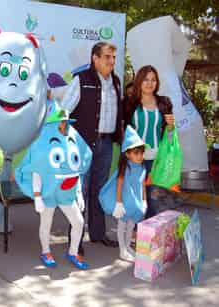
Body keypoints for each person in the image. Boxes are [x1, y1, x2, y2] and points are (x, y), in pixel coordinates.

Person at [60, 41, 123, 252]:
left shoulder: (116, 82)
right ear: (95, 58)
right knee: (81, 191)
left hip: (106, 143)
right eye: (107, 57)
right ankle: (75, 239)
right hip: (83, 144)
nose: (111, 61)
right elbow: (63, 110)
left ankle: (98, 234)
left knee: (99, 189)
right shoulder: (81, 80)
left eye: (114, 57)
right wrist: (63, 136)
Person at [15, 103, 92, 269]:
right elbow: (37, 170)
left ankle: (73, 252)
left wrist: (78, 192)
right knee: (46, 223)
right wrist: (37, 197)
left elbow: (76, 168)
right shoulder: (43, 143)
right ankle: (46, 251)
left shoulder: (71, 139)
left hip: (67, 191)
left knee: (78, 222)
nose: (64, 124)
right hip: (49, 192)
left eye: (66, 121)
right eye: (61, 121)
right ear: (53, 123)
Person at [124, 65, 175, 218]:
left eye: (153, 80)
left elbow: (169, 135)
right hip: (135, 159)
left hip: (155, 159)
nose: (149, 83)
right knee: (135, 197)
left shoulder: (164, 103)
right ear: (139, 81)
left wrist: (172, 126)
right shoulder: (129, 104)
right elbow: (124, 131)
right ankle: (134, 231)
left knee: (152, 199)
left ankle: (147, 236)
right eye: (146, 79)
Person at [99, 126, 147, 261]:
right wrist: (118, 204)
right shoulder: (125, 168)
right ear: (127, 154)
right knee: (122, 226)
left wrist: (144, 200)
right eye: (136, 153)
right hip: (125, 204)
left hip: (135, 204)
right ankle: (122, 250)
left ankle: (127, 246)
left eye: (142, 153)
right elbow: (119, 186)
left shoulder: (142, 167)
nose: (140, 156)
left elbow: (142, 184)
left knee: (131, 226)